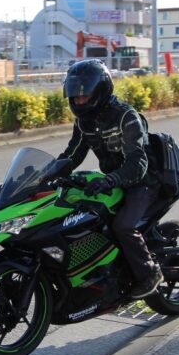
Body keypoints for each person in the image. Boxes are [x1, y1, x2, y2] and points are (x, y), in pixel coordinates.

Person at [57, 59, 164, 299]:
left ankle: (150, 272)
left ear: (100, 91)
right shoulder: (84, 122)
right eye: (75, 96)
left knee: (122, 226)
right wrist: (45, 175)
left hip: (143, 182)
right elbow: (72, 155)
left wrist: (110, 181)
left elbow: (138, 163)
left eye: (84, 95)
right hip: (115, 180)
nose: (78, 100)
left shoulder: (126, 116)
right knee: (83, 215)